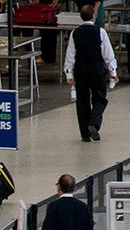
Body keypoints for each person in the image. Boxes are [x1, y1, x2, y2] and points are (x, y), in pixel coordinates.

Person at [64, 5, 118, 143]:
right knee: (100, 98)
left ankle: (84, 134)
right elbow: (108, 54)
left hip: (80, 71)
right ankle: (93, 123)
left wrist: (69, 75)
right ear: (94, 16)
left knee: (82, 101)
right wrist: (113, 72)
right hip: (96, 69)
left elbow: (70, 55)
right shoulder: (100, 32)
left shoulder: (75, 33)